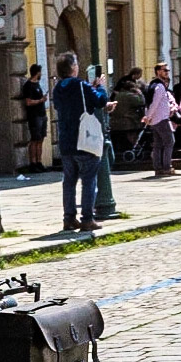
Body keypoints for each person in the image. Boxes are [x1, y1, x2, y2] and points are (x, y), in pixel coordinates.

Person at [51, 50, 108, 232]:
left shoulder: (58, 88)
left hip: (66, 141)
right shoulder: (81, 85)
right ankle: (87, 219)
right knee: (89, 180)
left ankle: (68, 219)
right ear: (73, 67)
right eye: (76, 64)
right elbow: (100, 101)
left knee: (69, 181)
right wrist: (100, 87)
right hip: (84, 139)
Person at [143, 61, 177, 178]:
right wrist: (148, 116)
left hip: (155, 119)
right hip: (161, 118)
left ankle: (158, 168)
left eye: (168, 70)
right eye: (165, 70)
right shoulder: (160, 86)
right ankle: (167, 167)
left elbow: (150, 103)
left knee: (158, 144)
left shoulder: (152, 85)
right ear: (158, 72)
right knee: (169, 142)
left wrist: (149, 117)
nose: (167, 72)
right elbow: (155, 103)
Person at [110, 68, 146, 160]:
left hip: (115, 123)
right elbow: (142, 102)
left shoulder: (118, 95)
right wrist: (139, 93)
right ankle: (135, 146)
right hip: (128, 122)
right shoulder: (130, 96)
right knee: (138, 128)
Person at [21, 64, 47, 172]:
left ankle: (39, 162)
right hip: (34, 115)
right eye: (40, 72)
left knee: (41, 139)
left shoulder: (37, 84)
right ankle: (33, 163)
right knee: (34, 139)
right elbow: (28, 102)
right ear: (37, 72)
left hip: (42, 114)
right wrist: (40, 100)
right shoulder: (28, 85)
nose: (41, 74)